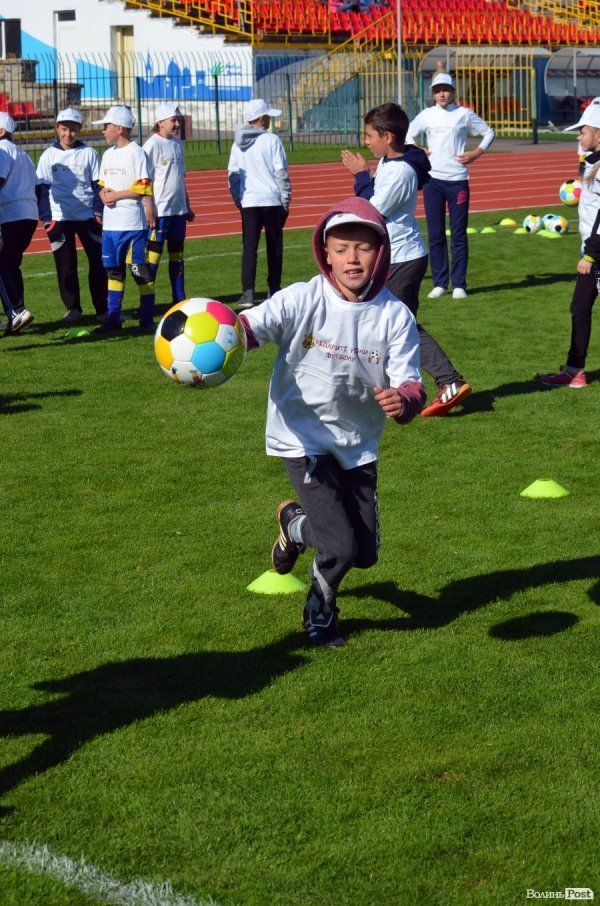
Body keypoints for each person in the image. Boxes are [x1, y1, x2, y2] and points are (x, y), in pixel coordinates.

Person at [238, 197, 425, 647]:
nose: (352, 259)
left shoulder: (394, 315)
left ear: (381, 253)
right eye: (341, 249)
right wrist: (224, 333)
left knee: (364, 554)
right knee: (338, 548)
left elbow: (412, 384)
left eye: (363, 248)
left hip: (357, 442)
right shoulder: (303, 298)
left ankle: (295, 525)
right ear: (326, 253)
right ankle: (320, 614)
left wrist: (403, 400)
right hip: (302, 437)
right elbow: (251, 326)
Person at [341, 102, 472, 417]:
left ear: (387, 136)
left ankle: (449, 381)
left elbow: (372, 212)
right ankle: (387, 386)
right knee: (382, 323)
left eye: (369, 135)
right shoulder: (391, 160)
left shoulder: (400, 171)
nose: (366, 141)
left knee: (401, 325)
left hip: (402, 258)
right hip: (395, 256)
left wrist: (360, 176)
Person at [407, 72, 494, 300]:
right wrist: (417, 149)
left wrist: (476, 153)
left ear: (453, 91)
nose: (442, 94)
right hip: (432, 181)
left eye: (445, 89)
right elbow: (408, 135)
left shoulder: (464, 114)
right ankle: (440, 283)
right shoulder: (427, 115)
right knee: (435, 234)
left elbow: (488, 132)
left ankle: (459, 284)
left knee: (458, 234)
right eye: (437, 90)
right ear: (433, 94)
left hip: (457, 181)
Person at [538, 103, 600, 388]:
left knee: (580, 307)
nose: (578, 136)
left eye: (582, 131)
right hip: (592, 251)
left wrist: (591, 254)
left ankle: (575, 370)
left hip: (595, 252)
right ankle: (575, 370)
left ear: (598, 134)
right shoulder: (592, 162)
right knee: (579, 307)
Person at [35, 107, 107, 323]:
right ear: (57, 128)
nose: (69, 134)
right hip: (60, 220)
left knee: (99, 264)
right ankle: (73, 309)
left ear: (79, 129)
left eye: (73, 129)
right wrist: (47, 220)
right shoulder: (48, 155)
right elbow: (41, 190)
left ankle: (102, 310)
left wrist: (97, 211)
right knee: (66, 267)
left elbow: (98, 185)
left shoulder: (89, 153)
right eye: (64, 129)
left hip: (88, 218)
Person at [91, 104, 156, 334]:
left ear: (119, 128)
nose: (103, 130)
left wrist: (116, 195)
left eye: (106, 126)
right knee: (114, 272)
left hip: (132, 224)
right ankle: (113, 318)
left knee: (139, 271)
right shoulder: (107, 154)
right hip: (111, 226)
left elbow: (144, 187)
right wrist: (103, 194)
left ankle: (147, 319)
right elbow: (102, 183)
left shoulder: (137, 152)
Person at [227, 99, 291, 309]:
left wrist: (239, 199)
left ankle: (248, 293)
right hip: (272, 201)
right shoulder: (272, 140)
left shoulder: (237, 144)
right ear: (262, 118)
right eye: (268, 116)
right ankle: (274, 288)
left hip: (249, 202)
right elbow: (280, 172)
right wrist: (285, 199)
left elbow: (233, 175)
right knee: (275, 246)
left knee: (249, 248)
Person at [143, 102, 195, 304]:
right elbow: (145, 180)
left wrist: (186, 204)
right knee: (152, 260)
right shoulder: (152, 145)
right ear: (160, 122)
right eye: (173, 120)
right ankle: (147, 304)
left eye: (178, 120)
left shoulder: (177, 144)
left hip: (178, 212)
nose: (177, 124)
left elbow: (180, 177)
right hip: (160, 213)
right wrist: (149, 207)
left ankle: (179, 299)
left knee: (177, 258)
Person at [0, 111, 38, 335]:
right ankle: (19, 314)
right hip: (29, 214)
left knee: (3, 264)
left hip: (10, 214)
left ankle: (16, 312)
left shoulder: (1, 150)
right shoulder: (23, 154)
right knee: (11, 264)